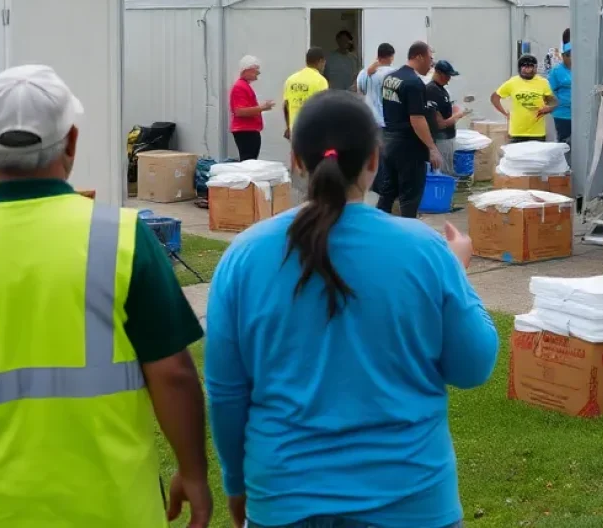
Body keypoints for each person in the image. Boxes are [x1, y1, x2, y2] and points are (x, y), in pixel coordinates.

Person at [0, 65, 210, 528]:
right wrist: (193, 471)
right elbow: (173, 374)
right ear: (71, 142)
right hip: (110, 510)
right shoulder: (123, 240)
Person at [204, 91, 498, 528]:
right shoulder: (424, 251)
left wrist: (236, 484)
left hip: (286, 501)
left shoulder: (244, 257)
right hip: (411, 501)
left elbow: (227, 393)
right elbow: (473, 366)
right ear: (375, 161)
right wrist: (456, 273)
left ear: (295, 161)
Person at [379, 41, 443, 218]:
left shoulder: (390, 78)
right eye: (430, 59)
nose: (432, 64)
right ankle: (409, 234)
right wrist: (432, 148)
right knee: (410, 197)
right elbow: (417, 118)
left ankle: (377, 232)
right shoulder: (414, 83)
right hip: (408, 147)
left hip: (389, 142)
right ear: (419, 56)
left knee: (387, 193)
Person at [283, 48, 330, 203]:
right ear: (321, 61)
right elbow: (323, 106)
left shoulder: (291, 79)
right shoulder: (320, 80)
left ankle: (296, 200)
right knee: (314, 164)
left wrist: (288, 126)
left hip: (295, 128)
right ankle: (312, 199)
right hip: (313, 130)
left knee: (297, 165)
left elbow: (286, 105)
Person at [492, 55, 557, 142]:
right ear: (519, 68)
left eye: (531, 67)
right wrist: (505, 113)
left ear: (536, 68)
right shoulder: (512, 82)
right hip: (517, 132)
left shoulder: (543, 82)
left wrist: (549, 108)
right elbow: (494, 98)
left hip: (537, 133)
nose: (528, 70)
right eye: (525, 67)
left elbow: (552, 101)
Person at [426, 59, 470, 174]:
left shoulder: (442, 90)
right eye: (447, 76)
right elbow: (440, 124)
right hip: (441, 138)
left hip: (448, 137)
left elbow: (446, 110)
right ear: (439, 74)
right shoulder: (432, 91)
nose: (449, 80)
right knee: (442, 172)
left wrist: (455, 109)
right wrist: (458, 116)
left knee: (448, 170)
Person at [230, 56, 274, 161]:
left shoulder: (243, 86)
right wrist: (261, 108)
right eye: (255, 70)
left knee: (250, 160)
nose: (258, 73)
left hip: (248, 129)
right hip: (246, 130)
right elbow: (239, 111)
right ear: (247, 70)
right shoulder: (240, 87)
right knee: (248, 161)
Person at [356, 43, 397, 128]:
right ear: (391, 57)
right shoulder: (393, 73)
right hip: (385, 120)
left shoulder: (363, 73)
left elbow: (359, 93)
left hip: (367, 119)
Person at [548, 41, 573, 145]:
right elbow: (549, 92)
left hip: (581, 114)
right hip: (562, 114)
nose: (571, 58)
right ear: (563, 56)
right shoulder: (556, 71)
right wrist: (552, 108)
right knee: (564, 143)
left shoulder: (583, 70)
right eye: (568, 55)